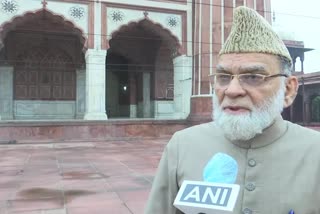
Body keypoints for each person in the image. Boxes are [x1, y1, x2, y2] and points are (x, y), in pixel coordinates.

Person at [144, 6, 320, 214]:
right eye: (223, 77)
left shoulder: (314, 153)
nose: (232, 90)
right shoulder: (182, 146)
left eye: (253, 77)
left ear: (289, 89)